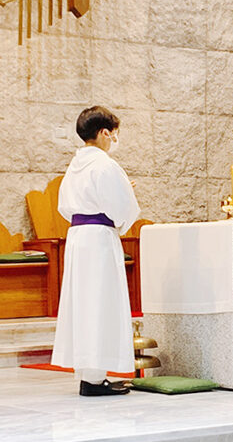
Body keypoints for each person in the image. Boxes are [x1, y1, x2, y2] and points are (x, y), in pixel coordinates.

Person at [51, 106, 140, 396]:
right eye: (113, 134)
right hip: (99, 238)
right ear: (104, 133)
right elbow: (122, 206)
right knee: (100, 303)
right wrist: (127, 192)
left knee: (86, 304)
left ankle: (91, 374)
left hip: (78, 237)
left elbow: (65, 205)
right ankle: (93, 379)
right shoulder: (104, 164)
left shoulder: (76, 164)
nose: (114, 140)